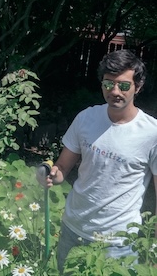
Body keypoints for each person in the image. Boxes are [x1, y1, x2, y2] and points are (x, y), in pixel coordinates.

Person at [40, 49, 157, 273]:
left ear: (138, 87)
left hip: (118, 243)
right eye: (108, 84)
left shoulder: (152, 133)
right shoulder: (86, 118)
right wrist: (53, 175)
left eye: (123, 85)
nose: (114, 91)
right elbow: (63, 166)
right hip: (73, 230)